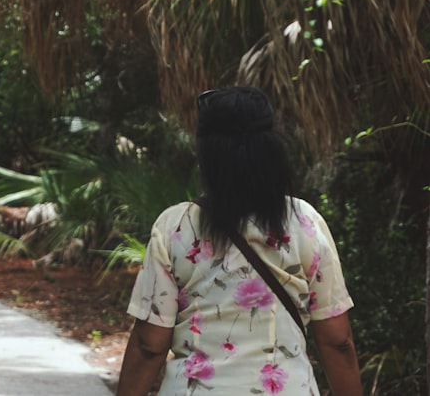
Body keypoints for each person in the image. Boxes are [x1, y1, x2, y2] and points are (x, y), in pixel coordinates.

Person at [117, 86, 361, 395]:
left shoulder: (175, 227)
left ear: (206, 155)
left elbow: (148, 345)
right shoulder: (304, 222)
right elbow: (338, 341)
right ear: (272, 152)